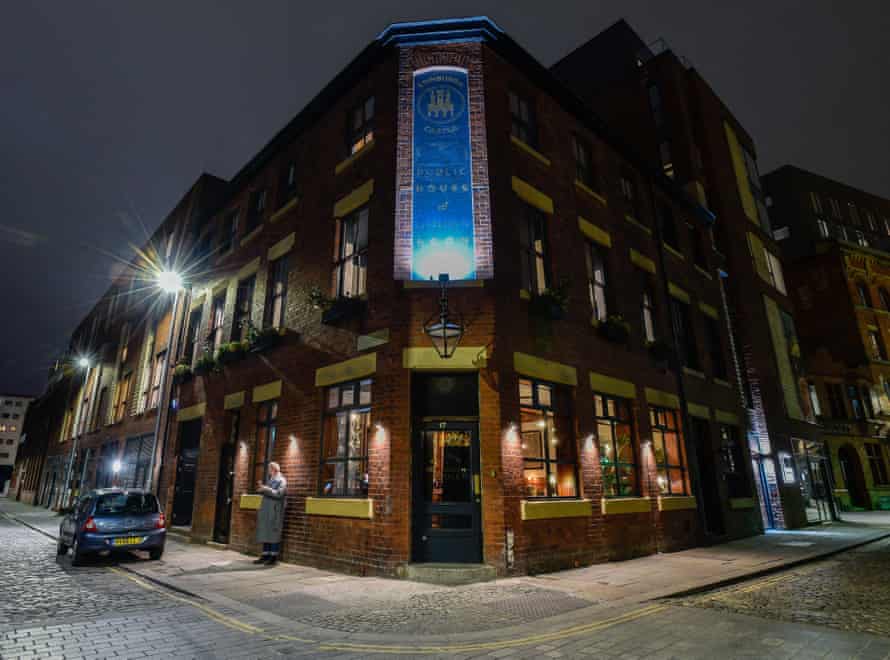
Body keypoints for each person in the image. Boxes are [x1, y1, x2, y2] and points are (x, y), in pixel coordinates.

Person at [253, 461, 287, 565]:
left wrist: (266, 488)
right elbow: (269, 491)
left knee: (273, 532)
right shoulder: (270, 480)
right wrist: (262, 488)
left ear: (274, 470)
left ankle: (273, 556)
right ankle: (265, 555)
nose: (269, 471)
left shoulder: (282, 480)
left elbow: (279, 494)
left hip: (274, 511)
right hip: (266, 510)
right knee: (265, 531)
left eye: (270, 469)